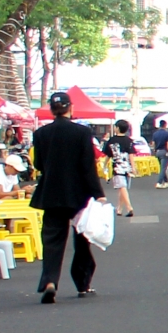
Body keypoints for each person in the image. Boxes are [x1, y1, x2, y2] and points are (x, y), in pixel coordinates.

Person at [30, 91, 109, 303]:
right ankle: (83, 283)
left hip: (51, 193)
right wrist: (98, 194)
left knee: (52, 240)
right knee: (82, 239)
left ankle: (50, 281)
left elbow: (38, 164)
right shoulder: (82, 132)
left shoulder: (41, 134)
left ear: (51, 109)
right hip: (78, 194)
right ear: (70, 108)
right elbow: (87, 167)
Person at [102, 120, 138, 217]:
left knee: (122, 187)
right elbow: (131, 155)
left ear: (117, 128)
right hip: (127, 167)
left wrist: (104, 165)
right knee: (122, 188)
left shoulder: (112, 140)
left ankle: (129, 207)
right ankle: (119, 208)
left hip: (117, 167)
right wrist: (133, 167)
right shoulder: (129, 141)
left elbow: (108, 155)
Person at [152, 120, 168, 189]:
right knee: (163, 168)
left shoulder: (155, 134)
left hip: (158, 152)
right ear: (165, 125)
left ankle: (166, 181)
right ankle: (159, 182)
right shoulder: (167, 134)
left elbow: (153, 144)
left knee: (162, 167)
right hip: (164, 152)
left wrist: (154, 151)